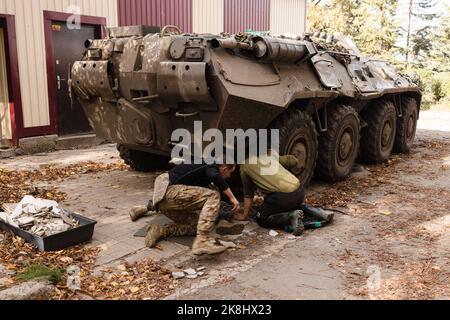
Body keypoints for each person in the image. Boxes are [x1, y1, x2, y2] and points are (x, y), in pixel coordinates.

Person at [137, 163, 240, 256]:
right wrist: (232, 198)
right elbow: (215, 177)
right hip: (168, 190)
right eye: (230, 173)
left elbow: (211, 204)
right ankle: (202, 241)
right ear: (224, 168)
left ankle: (160, 230)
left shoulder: (203, 177)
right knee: (213, 196)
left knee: (195, 225)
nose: (229, 176)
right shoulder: (210, 165)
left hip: (166, 201)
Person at [235, 152, 305, 236]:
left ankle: (291, 216)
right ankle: (316, 212)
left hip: (284, 198)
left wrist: (244, 216)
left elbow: (248, 195)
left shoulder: (244, 166)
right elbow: (294, 161)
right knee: (290, 205)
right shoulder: (268, 156)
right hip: (300, 191)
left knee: (261, 217)